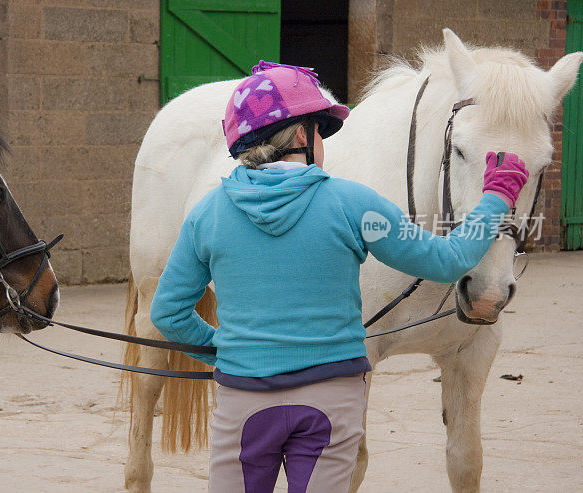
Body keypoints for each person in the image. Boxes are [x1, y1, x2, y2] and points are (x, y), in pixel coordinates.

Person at [150, 61, 528, 493]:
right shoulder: (355, 206)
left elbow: (168, 311)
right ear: (299, 136)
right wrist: (496, 197)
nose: (325, 143)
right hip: (330, 403)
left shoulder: (205, 215)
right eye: (321, 132)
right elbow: (447, 260)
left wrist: (227, 352)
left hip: (242, 401)